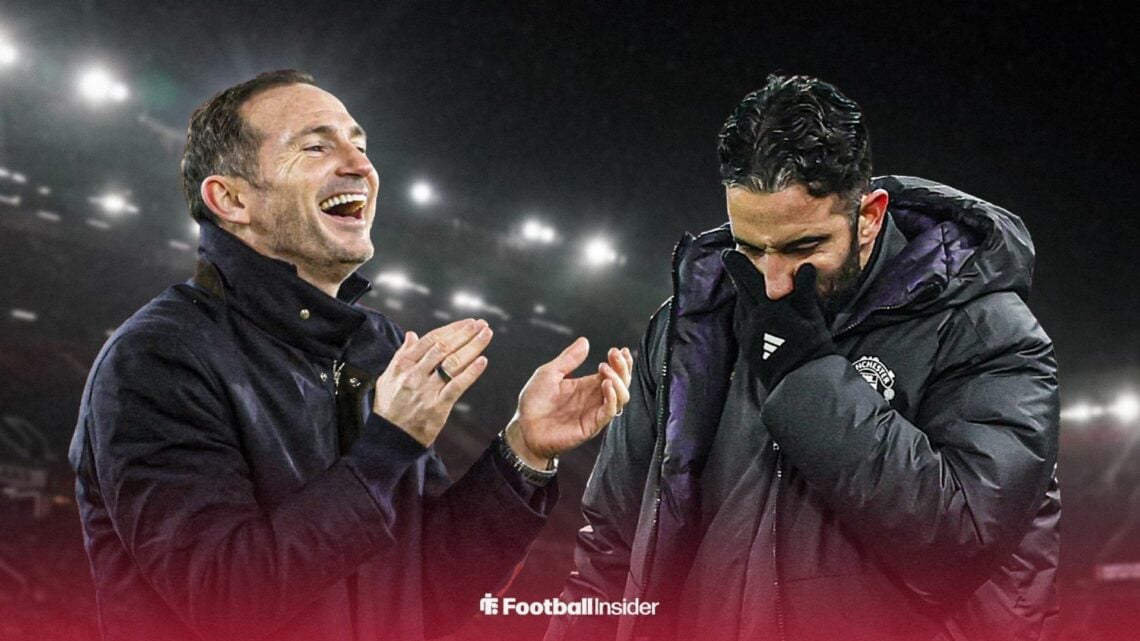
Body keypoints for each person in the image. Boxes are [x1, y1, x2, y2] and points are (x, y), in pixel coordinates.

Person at [68, 69, 634, 641]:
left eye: (359, 145)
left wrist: (523, 453)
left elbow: (434, 590)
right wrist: (387, 448)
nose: (360, 165)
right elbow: (224, 598)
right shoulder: (158, 358)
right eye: (316, 146)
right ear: (231, 198)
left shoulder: (377, 347)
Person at [545, 74, 1060, 641]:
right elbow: (612, 548)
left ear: (869, 216)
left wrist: (806, 373)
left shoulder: (987, 330)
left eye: (802, 248)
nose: (771, 281)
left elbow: (961, 543)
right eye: (749, 246)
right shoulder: (689, 326)